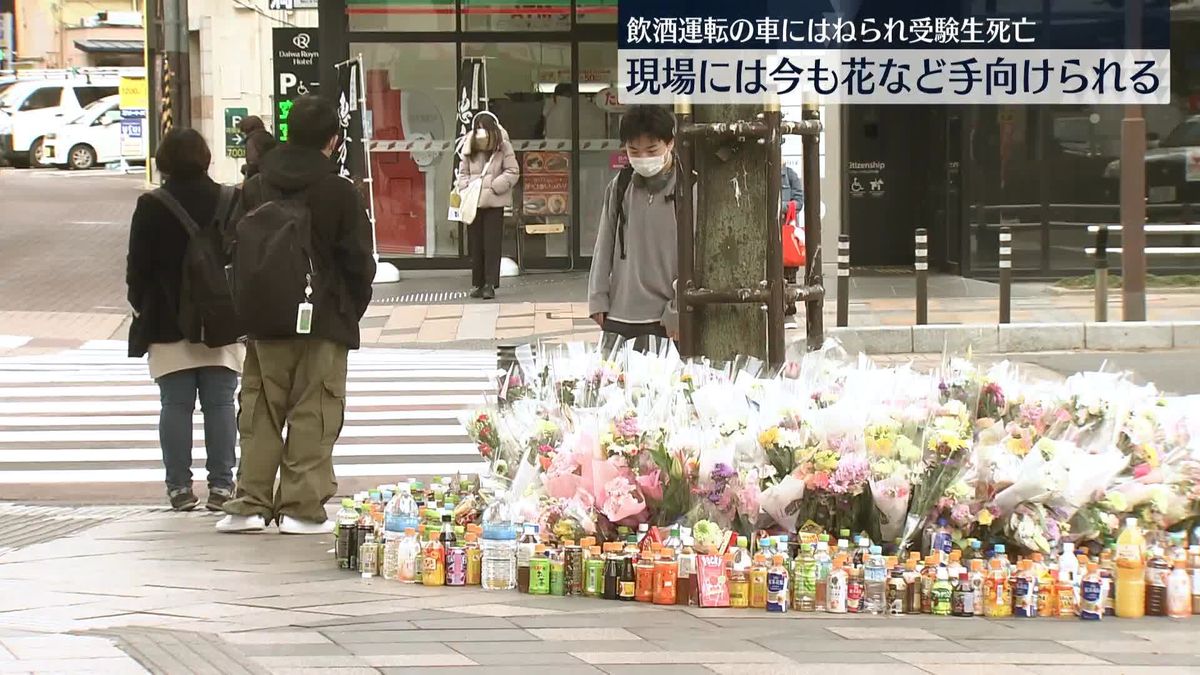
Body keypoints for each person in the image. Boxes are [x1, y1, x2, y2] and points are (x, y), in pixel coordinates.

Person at [216, 95, 376, 535]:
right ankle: (300, 508)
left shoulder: (255, 185)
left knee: (260, 408)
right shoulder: (339, 191)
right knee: (314, 407)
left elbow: (231, 248)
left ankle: (249, 502)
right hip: (323, 319)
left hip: (264, 319)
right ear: (333, 140)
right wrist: (346, 309)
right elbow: (360, 262)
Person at [126, 128, 242, 512]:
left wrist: (141, 306)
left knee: (175, 405)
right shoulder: (230, 199)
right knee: (221, 404)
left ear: (164, 162)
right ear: (206, 158)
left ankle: (179, 487)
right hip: (221, 319)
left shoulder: (152, 205)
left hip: (165, 317)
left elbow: (137, 269)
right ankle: (223, 486)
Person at [588, 105, 679, 350]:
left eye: (652, 149)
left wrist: (678, 307)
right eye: (633, 150)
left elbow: (697, 258)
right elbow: (604, 243)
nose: (643, 158)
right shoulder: (620, 185)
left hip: (665, 318)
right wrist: (597, 298)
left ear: (670, 143)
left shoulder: (686, 188)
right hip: (620, 314)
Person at [456, 110, 519, 301]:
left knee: (491, 244)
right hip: (473, 203)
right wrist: (464, 186)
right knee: (476, 244)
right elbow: (462, 171)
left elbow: (513, 171)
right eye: (478, 129)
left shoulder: (502, 145)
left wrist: (494, 186)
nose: (481, 133)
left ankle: (490, 284)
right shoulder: (470, 144)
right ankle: (479, 283)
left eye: (484, 129)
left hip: (494, 202)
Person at [781, 164, 803, 319]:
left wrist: (782, 207)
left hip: (786, 230)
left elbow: (799, 201)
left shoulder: (790, 175)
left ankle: (789, 306)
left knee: (789, 269)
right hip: (769, 231)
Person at [238, 115, 278, 179]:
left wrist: (245, 168)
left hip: (258, 181)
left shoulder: (251, 141)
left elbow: (253, 164)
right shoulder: (269, 137)